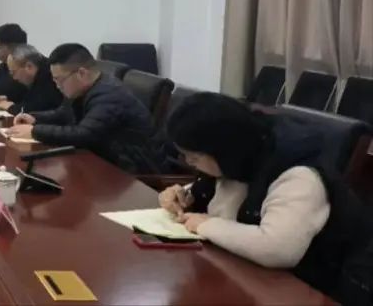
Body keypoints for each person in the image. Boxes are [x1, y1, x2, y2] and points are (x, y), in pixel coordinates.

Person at [159, 92, 373, 304]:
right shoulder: (239, 160)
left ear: (223, 150)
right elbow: (224, 198)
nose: (188, 162)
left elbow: (277, 249)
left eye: (194, 157)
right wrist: (184, 196)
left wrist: (206, 225)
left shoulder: (299, 177)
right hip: (261, 280)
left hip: (324, 291)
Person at [8, 43, 160, 174]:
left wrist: (35, 131)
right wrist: (35, 118)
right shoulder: (83, 89)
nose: (57, 85)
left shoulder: (109, 95)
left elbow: (84, 135)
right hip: (105, 161)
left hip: (133, 172)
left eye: (59, 79)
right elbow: (63, 113)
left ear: (81, 73)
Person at [0, 44, 64, 114]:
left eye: (13, 72)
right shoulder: (33, 75)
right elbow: (26, 100)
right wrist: (6, 100)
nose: (14, 78)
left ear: (29, 67)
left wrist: (10, 106)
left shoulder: (49, 76)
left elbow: (35, 108)